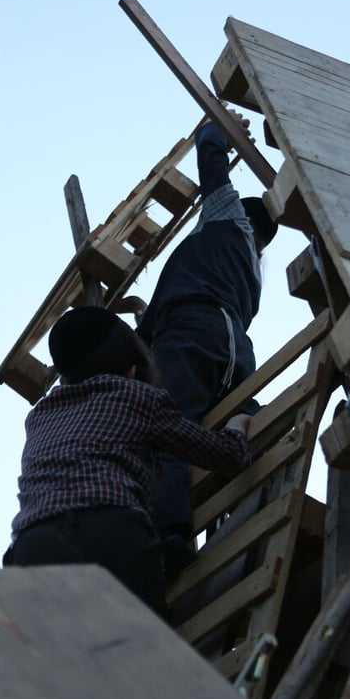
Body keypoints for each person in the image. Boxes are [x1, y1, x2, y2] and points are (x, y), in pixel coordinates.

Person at [2, 306, 251, 616]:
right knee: (139, 649)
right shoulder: (136, 396)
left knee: (69, 657)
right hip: (109, 531)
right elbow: (227, 455)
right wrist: (238, 424)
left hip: (33, 546)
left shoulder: (39, 416)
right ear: (132, 368)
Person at [134, 113, 279, 574]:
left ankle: (170, 537)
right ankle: (240, 523)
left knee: (165, 426)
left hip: (197, 332)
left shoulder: (227, 219)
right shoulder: (250, 269)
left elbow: (212, 164)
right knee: (232, 421)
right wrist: (146, 322)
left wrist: (213, 127)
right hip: (232, 346)